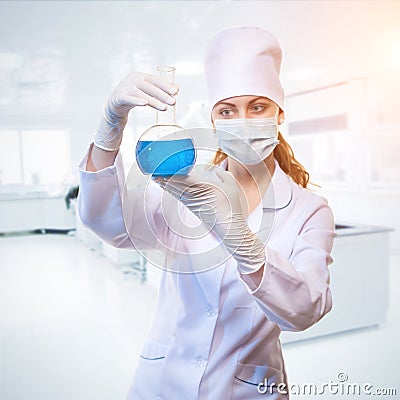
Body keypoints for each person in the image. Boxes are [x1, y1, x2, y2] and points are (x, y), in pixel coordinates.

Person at [78, 27, 335, 400]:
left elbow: (305, 310)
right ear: (214, 120)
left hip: (247, 390)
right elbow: (110, 225)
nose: (243, 120)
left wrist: (236, 234)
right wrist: (110, 128)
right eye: (227, 110)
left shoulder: (310, 211)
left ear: (279, 115)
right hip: (164, 382)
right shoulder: (185, 186)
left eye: (258, 107)